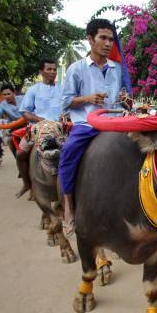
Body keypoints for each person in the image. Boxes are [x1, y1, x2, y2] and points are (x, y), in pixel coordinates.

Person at [59, 18, 128, 235]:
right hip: (86, 124)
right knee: (68, 154)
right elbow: (65, 102)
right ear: (90, 39)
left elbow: (120, 99)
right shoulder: (76, 69)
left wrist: (125, 99)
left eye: (110, 39)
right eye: (103, 38)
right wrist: (88, 98)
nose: (108, 43)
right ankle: (68, 207)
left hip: (115, 121)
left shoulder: (117, 69)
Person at [12, 59, 63, 198]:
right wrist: (39, 119)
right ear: (41, 72)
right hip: (37, 129)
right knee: (21, 154)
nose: (52, 72)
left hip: (61, 128)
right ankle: (26, 184)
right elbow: (24, 111)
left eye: (54, 69)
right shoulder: (33, 90)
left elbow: (71, 106)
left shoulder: (63, 89)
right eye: (49, 69)